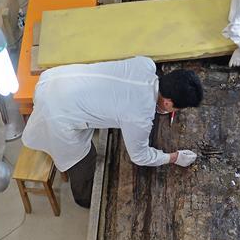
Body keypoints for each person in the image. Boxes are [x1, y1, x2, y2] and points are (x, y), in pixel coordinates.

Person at [22, 56, 203, 208]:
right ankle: (84, 199)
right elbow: (140, 156)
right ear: (168, 103)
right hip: (56, 113)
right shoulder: (139, 116)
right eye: (177, 109)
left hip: (56, 79)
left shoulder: (146, 63)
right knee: (83, 161)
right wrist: (174, 157)